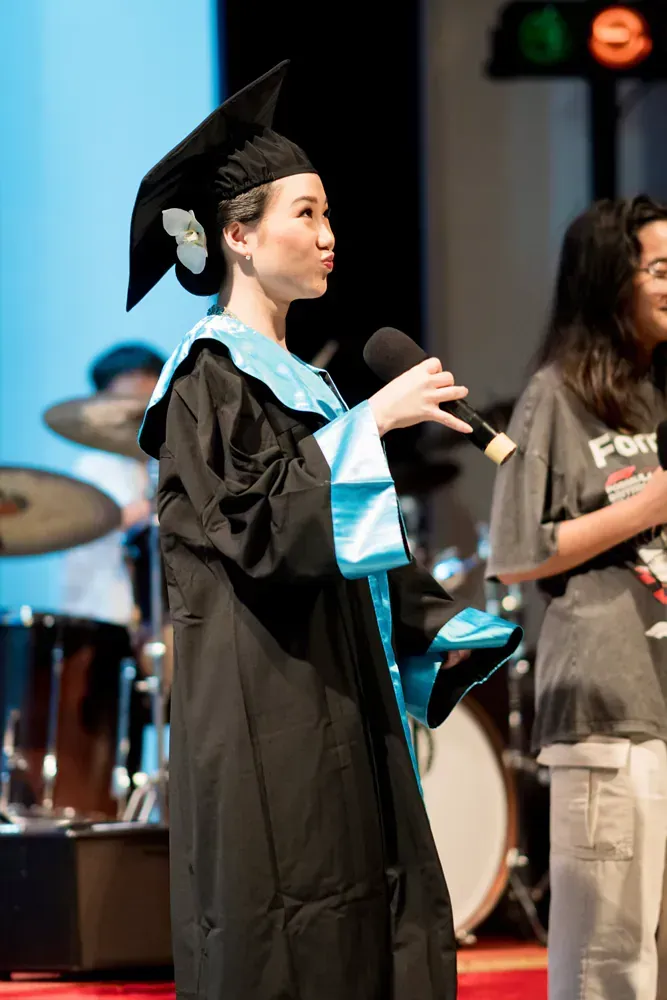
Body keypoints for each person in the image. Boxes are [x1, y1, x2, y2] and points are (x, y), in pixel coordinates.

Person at [129, 60, 521, 1000]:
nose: (327, 234)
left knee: (361, 916)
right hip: (268, 707)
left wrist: (437, 622)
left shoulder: (305, 383)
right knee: (286, 926)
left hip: (341, 701)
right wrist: (370, 425)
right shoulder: (204, 379)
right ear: (236, 236)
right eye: (303, 214)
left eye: (328, 213)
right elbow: (259, 530)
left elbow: (343, 544)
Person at [487, 195, 667, 1000]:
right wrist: (648, 504)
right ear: (608, 281)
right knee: (607, 955)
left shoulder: (654, 393)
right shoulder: (553, 395)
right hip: (603, 705)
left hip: (659, 700)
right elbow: (515, 552)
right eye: (659, 270)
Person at [60, 343, 165, 627]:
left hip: (153, 617)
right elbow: (114, 522)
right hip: (103, 616)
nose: (139, 413)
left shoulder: (158, 461)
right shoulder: (94, 465)